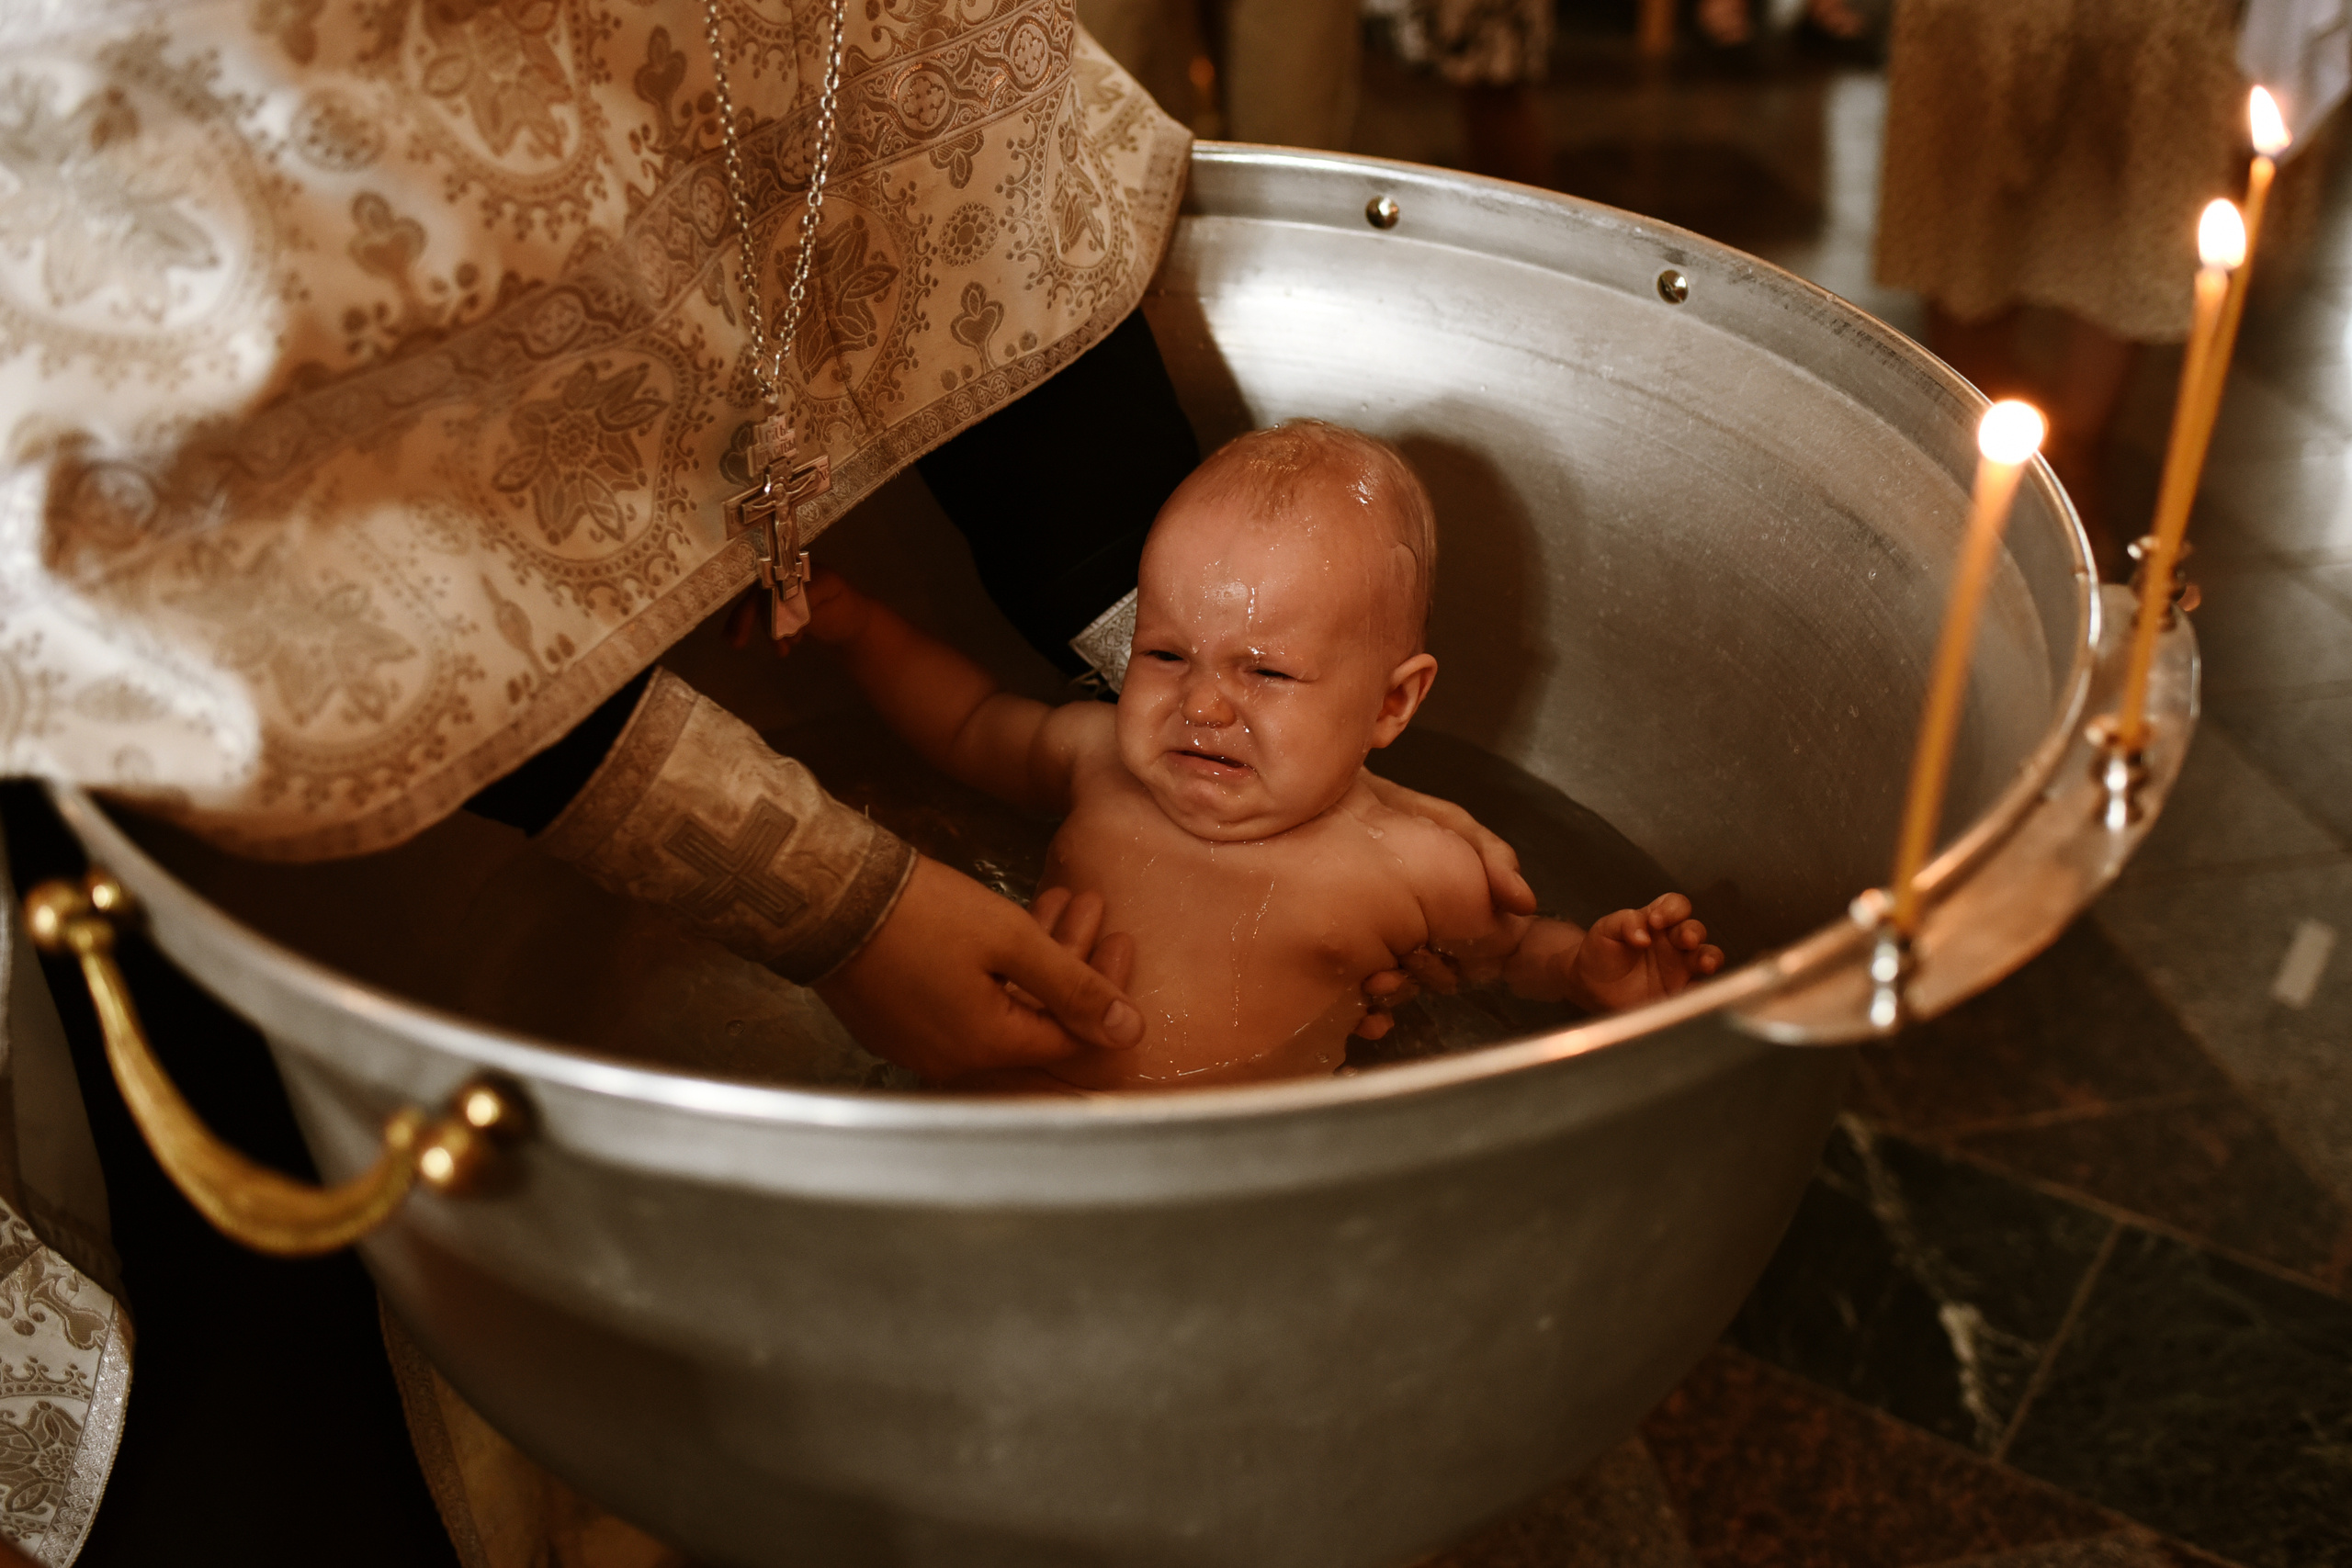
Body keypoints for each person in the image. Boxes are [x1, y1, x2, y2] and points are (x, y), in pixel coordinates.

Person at [796, 420, 1724, 1091]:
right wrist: (861, 629)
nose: (1200, 703)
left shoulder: (1412, 864)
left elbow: (1506, 951)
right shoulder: (1099, 764)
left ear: (1391, 705)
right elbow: (968, 725)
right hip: (988, 1101)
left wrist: (1585, 973)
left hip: (1215, 1179)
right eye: (1163, 654)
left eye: (1268, 673)